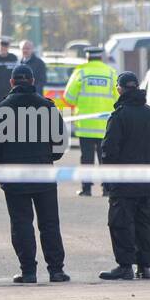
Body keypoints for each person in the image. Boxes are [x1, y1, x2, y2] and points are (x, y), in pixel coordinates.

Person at [0, 64, 70, 284]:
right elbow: (61, 142)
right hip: (43, 174)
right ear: (32, 81)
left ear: (12, 83)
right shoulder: (47, 107)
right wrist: (48, 158)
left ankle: (28, 272)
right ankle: (56, 270)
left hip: (14, 177)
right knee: (49, 223)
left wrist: (4, 163)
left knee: (21, 224)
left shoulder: (1, 109)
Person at [98, 72, 150, 280]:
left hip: (123, 181)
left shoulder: (119, 116)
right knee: (144, 223)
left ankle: (125, 266)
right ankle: (144, 267)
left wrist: (109, 178)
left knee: (121, 224)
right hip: (146, 180)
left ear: (119, 89)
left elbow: (108, 150)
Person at [62, 46, 117, 197]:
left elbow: (68, 97)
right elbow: (118, 98)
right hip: (105, 125)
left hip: (85, 124)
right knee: (104, 157)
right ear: (101, 58)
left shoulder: (81, 72)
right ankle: (107, 189)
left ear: (87, 57)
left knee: (86, 158)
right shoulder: (110, 73)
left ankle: (86, 189)